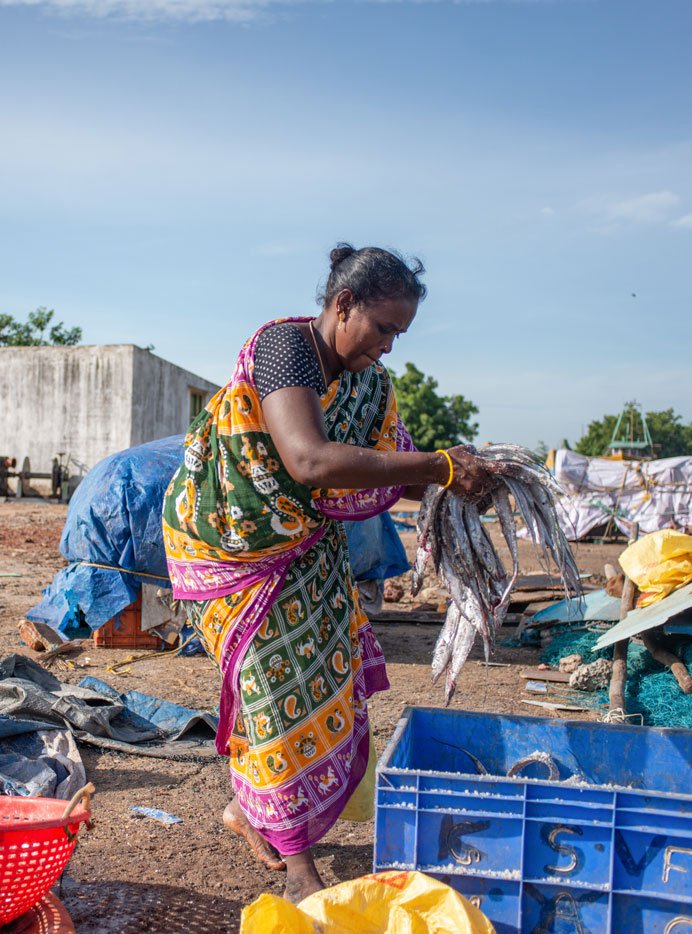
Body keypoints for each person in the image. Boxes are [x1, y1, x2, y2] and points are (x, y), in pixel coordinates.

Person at [163, 244, 496, 901]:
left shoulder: (370, 385)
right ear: (343, 305)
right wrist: (435, 466)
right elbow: (311, 460)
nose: (388, 348)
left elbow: (370, 468)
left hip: (306, 544)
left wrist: (464, 481)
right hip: (233, 545)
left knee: (324, 682)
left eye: (399, 335)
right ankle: (300, 862)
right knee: (274, 688)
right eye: (382, 329)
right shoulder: (285, 350)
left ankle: (249, 810)